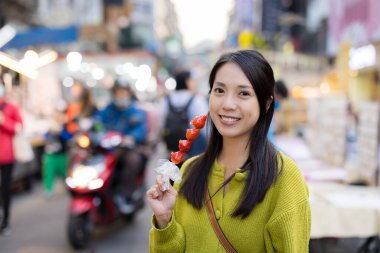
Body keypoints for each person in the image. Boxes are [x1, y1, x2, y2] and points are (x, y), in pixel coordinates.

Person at [147, 50, 311, 252]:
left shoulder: (284, 177)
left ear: (266, 104)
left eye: (243, 93)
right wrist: (165, 220)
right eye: (219, 91)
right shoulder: (189, 171)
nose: (227, 104)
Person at [97, 79, 148, 210]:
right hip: (106, 149)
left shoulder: (135, 111)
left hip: (126, 149)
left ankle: (124, 194)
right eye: (119, 92)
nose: (121, 96)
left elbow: (141, 129)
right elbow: (97, 123)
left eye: (124, 93)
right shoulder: (107, 110)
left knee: (133, 160)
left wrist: (131, 138)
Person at [159, 70, 208, 161]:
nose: (195, 83)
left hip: (172, 145)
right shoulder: (196, 99)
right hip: (192, 147)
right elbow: (204, 126)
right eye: (192, 80)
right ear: (187, 82)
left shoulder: (166, 99)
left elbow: (160, 122)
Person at [0, 81, 23, 235]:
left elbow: (20, 127)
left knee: (5, 188)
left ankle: (5, 220)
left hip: (6, 155)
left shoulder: (10, 107)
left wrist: (4, 122)